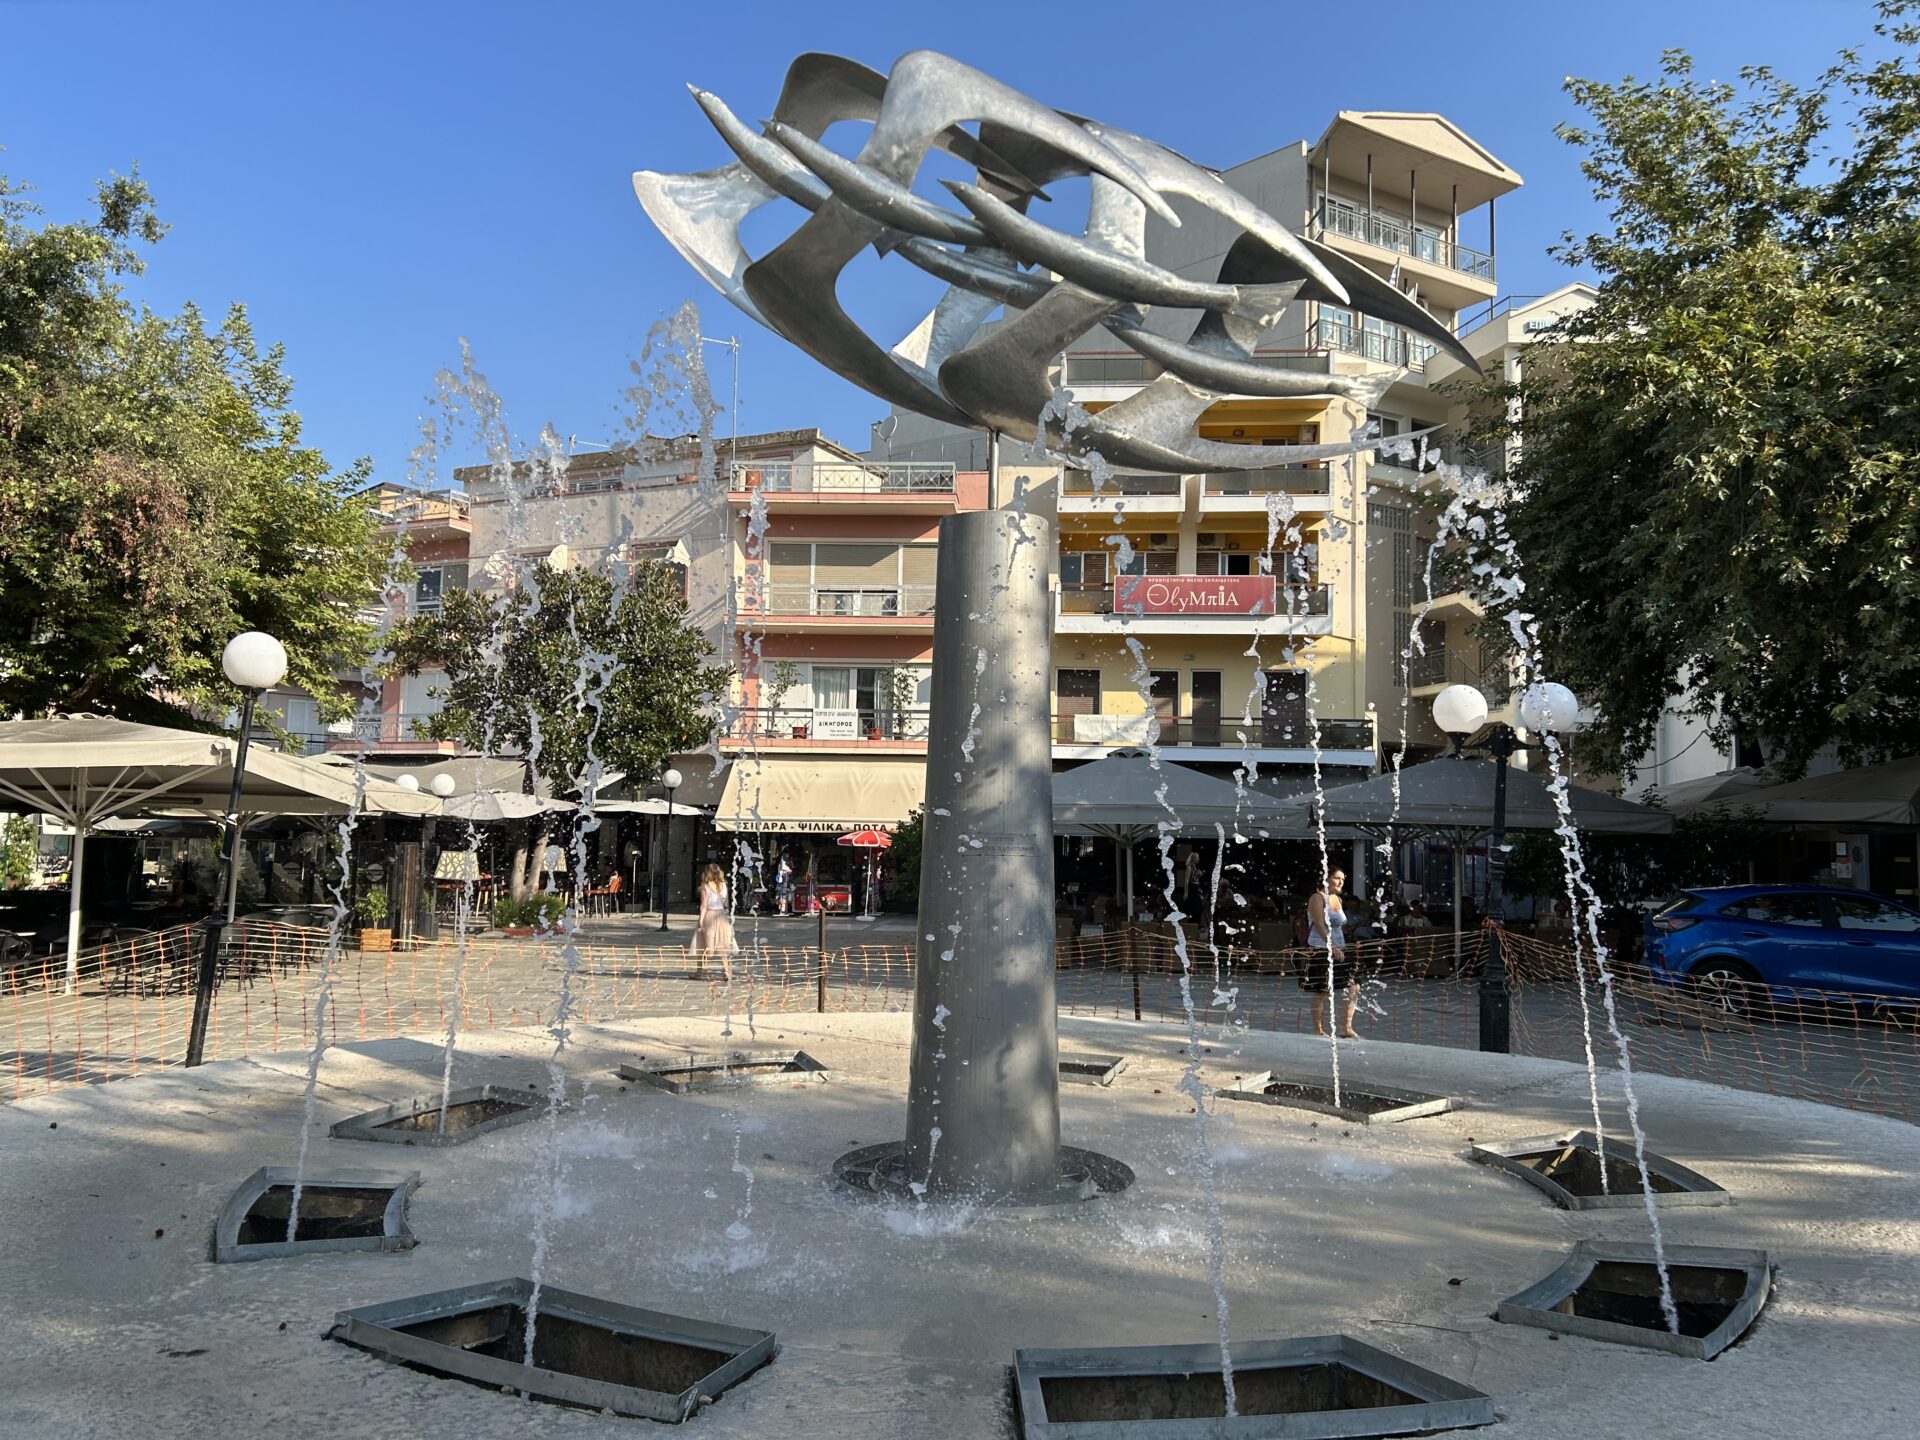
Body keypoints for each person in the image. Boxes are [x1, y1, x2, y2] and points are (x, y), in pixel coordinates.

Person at [1299, 866, 1358, 1038]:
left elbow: (1338, 925)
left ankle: (1346, 1027)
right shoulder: (1317, 898)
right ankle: (1318, 1030)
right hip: (1321, 950)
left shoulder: (1337, 899)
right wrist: (1331, 946)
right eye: (1337, 878)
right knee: (1322, 990)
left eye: (1343, 879)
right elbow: (1319, 924)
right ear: (1327, 878)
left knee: (1354, 986)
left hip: (1340, 949)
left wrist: (1340, 946)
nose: (1341, 882)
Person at [692, 862, 735, 974]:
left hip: (709, 915)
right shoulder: (723, 885)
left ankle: (699, 972)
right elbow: (726, 904)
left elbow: (704, 905)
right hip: (721, 916)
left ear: (707, 872)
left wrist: (701, 921)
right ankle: (726, 971)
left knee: (702, 944)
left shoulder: (705, 886)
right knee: (723, 945)